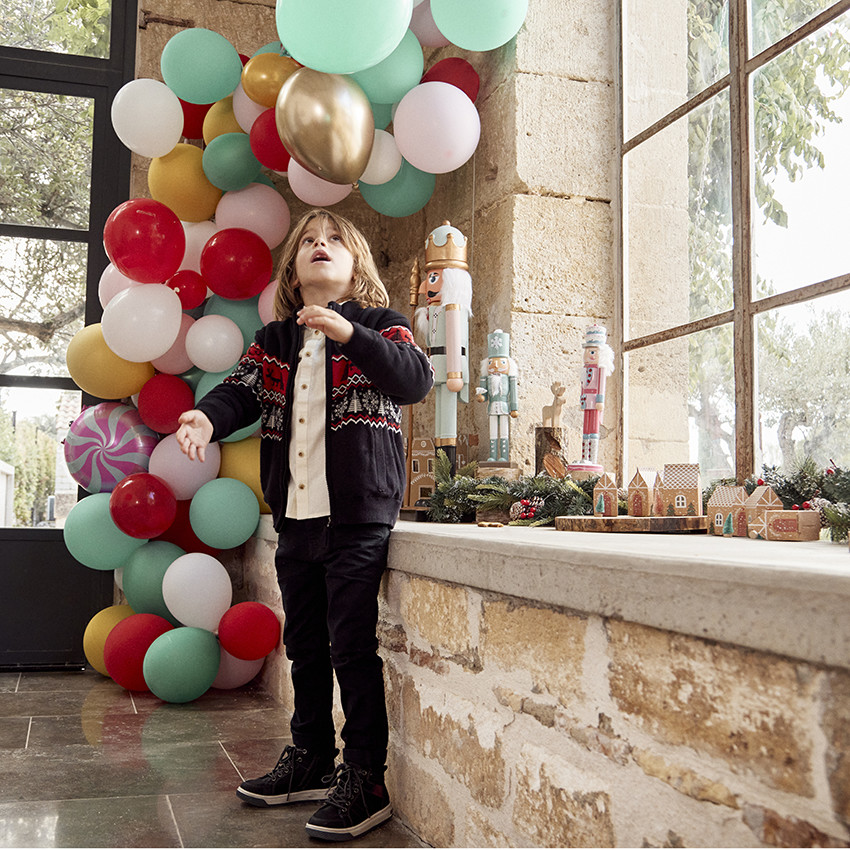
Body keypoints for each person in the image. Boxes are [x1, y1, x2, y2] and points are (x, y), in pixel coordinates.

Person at [175, 209, 433, 841]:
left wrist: (351, 334)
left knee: (351, 645)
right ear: (293, 272)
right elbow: (238, 392)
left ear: (356, 267)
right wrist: (206, 417)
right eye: (309, 241)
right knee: (306, 646)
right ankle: (312, 757)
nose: (321, 245)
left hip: (357, 516)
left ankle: (366, 777)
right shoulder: (273, 342)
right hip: (296, 518)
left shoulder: (382, 325)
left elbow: (414, 379)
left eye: (334, 240)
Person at [413, 221, 472, 475]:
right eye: (429, 277)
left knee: (447, 424)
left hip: (448, 370)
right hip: (435, 367)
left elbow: (454, 341)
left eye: (433, 278)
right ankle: (441, 477)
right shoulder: (432, 311)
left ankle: (445, 479)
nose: (425, 287)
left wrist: (455, 373)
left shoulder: (452, 309)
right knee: (439, 424)